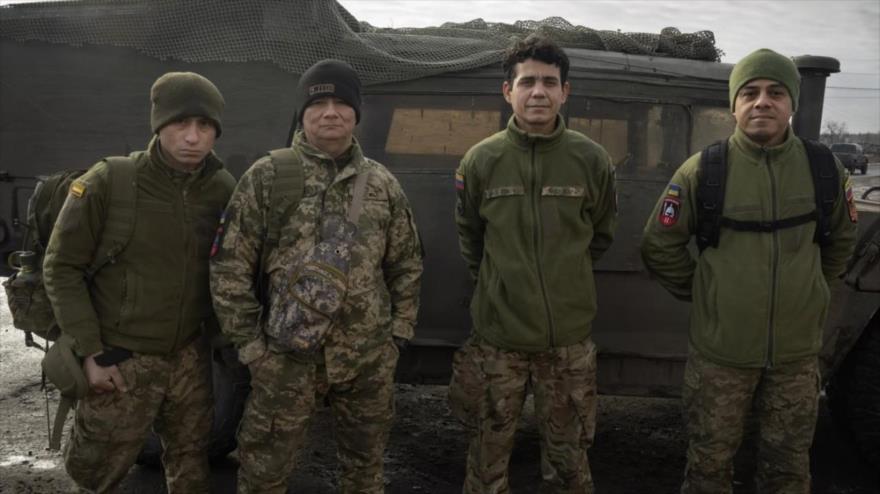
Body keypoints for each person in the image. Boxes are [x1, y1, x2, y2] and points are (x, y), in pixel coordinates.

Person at [641, 48, 858, 493]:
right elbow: (658, 244)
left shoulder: (824, 170)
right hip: (720, 359)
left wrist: (813, 288)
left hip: (795, 360)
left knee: (788, 469)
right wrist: (706, 292)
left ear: (791, 103)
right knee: (708, 467)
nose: (762, 102)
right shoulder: (703, 170)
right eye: (750, 93)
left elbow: (840, 241)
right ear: (734, 105)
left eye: (775, 92)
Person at [210, 59, 423, 494]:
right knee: (263, 474)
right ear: (302, 113)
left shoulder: (382, 184)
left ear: (356, 113)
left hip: (365, 360)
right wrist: (253, 349)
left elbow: (406, 264)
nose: (330, 113)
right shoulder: (268, 176)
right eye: (318, 104)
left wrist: (395, 338)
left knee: (364, 474)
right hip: (286, 360)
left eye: (341, 103)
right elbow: (229, 266)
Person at [42, 71, 234, 493]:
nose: (192, 137)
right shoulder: (110, 181)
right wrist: (90, 351)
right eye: (180, 123)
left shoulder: (221, 187)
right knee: (96, 473)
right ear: (159, 125)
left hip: (189, 358)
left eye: (204, 126)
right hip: (120, 358)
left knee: (191, 466)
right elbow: (61, 267)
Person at [451, 34, 618, 493]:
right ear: (508, 91)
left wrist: (566, 280)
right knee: (485, 463)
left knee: (569, 465)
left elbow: (601, 234)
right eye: (527, 82)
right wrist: (499, 287)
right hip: (497, 340)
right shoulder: (481, 160)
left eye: (549, 82)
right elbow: (471, 237)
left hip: (567, 342)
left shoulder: (591, 159)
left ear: (566, 91)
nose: (538, 92)